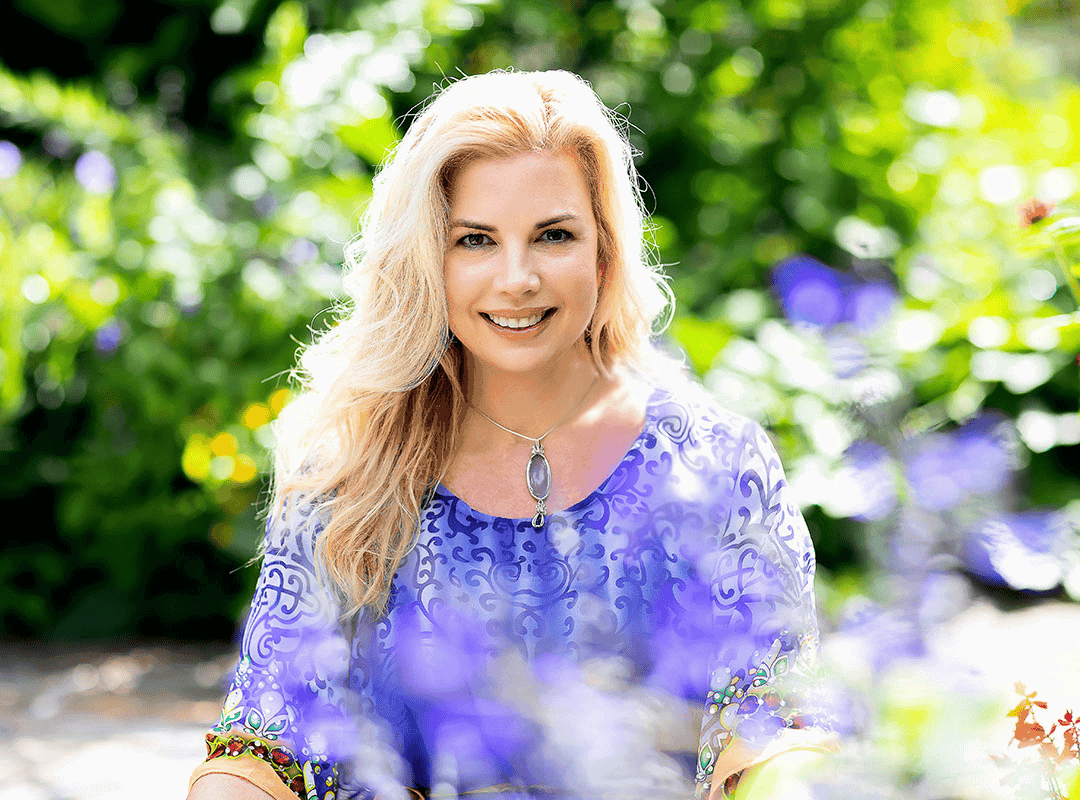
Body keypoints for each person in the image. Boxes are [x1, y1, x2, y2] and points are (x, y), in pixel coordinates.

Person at [187, 69, 832, 800]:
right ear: (429, 256)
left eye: (553, 235)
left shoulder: (716, 462)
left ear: (604, 249)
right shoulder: (349, 468)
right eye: (476, 241)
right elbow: (266, 740)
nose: (516, 277)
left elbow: (769, 718)